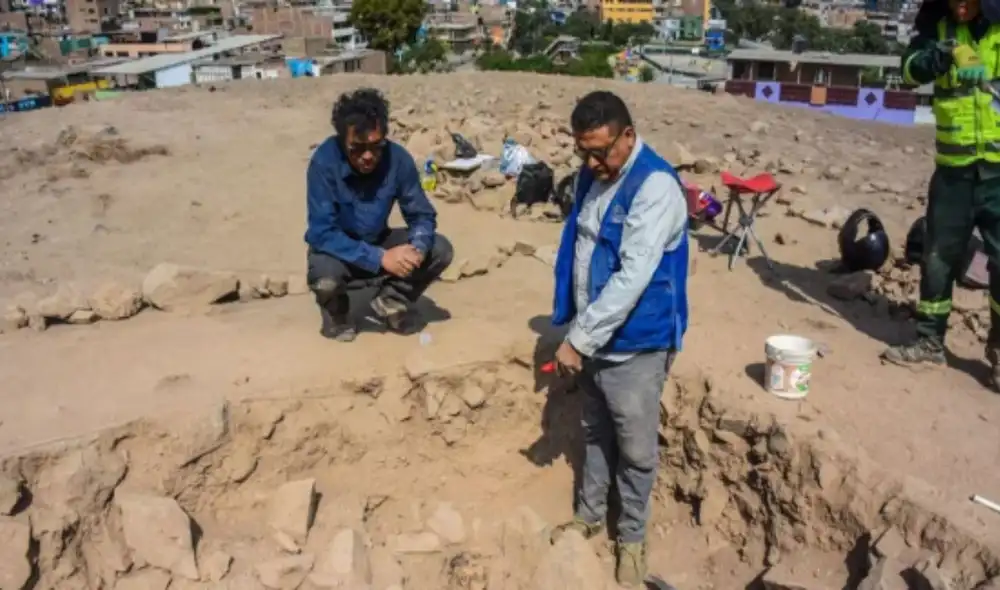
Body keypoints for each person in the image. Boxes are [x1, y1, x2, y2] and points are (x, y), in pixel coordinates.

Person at [549, 91, 689, 587]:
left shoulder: (655, 187)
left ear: (627, 135)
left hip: (636, 346)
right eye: (583, 152)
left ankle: (631, 539)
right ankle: (589, 516)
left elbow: (632, 277)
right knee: (594, 432)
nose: (592, 163)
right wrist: (574, 322)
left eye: (602, 152)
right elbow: (583, 247)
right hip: (593, 337)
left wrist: (577, 339)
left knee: (634, 449)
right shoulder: (595, 175)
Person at [886, 0, 1000, 388]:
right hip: (953, 172)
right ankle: (929, 342)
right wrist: (936, 57)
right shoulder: (935, 26)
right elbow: (907, 72)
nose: (961, 7)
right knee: (938, 257)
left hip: (998, 172)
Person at [304, 88, 453, 341]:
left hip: (378, 239)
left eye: (376, 146)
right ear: (342, 141)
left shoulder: (398, 160)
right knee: (325, 280)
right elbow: (321, 232)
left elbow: (421, 216)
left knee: (438, 248)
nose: (368, 156)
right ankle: (338, 314)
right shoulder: (324, 162)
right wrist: (379, 258)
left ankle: (391, 300)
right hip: (339, 250)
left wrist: (416, 248)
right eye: (357, 148)